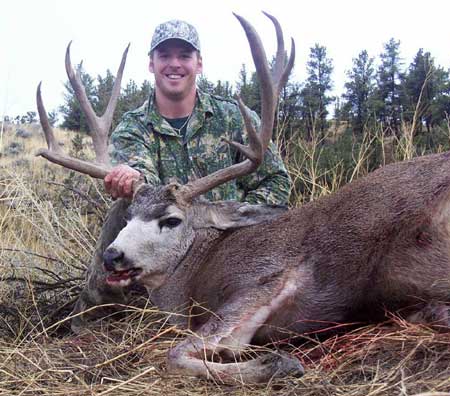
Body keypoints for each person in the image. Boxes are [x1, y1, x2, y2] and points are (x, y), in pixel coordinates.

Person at [71, 19, 291, 332]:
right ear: (151, 64)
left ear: (198, 64)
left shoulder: (233, 117)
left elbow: (276, 182)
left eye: (184, 56)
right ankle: (94, 321)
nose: (174, 64)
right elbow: (141, 178)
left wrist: (235, 221)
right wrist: (130, 175)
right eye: (165, 56)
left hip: (230, 241)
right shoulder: (134, 127)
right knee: (122, 210)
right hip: (164, 250)